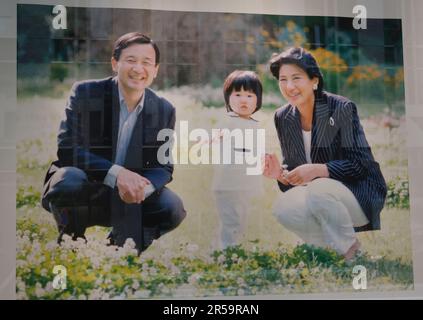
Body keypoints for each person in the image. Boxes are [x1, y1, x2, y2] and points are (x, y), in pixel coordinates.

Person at [41, 32, 186, 253]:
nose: (138, 69)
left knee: (171, 206)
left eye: (146, 63)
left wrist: (141, 187)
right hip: (86, 189)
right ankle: (72, 244)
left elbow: (163, 167)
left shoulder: (164, 109)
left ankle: (120, 250)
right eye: (130, 60)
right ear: (114, 63)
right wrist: (117, 174)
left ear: (155, 70)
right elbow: (68, 148)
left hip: (128, 199)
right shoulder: (86, 93)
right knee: (67, 179)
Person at [263, 47, 387, 260]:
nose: (289, 86)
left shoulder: (341, 108)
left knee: (319, 187)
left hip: (358, 193)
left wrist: (320, 170)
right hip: (320, 197)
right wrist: (281, 175)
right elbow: (295, 175)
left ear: (314, 81)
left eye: (296, 78)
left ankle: (351, 254)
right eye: (283, 79)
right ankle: (328, 252)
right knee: (283, 207)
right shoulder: (283, 117)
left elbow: (361, 164)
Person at [211, 70, 264, 250]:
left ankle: (237, 250)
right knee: (230, 221)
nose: (243, 100)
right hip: (228, 185)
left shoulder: (255, 124)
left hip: (247, 185)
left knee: (243, 221)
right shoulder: (229, 121)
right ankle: (225, 252)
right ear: (228, 98)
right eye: (238, 94)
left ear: (258, 100)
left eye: (249, 95)